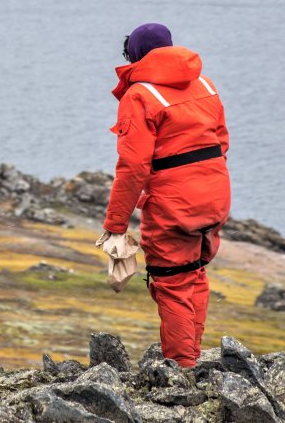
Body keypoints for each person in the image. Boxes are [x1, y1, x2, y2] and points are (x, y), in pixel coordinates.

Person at [99, 23, 230, 368]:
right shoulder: (205, 84)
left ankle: (183, 368)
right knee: (194, 273)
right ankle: (191, 355)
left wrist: (116, 225)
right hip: (216, 194)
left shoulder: (139, 96)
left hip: (175, 204)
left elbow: (133, 167)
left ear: (136, 56)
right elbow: (222, 143)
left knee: (172, 283)